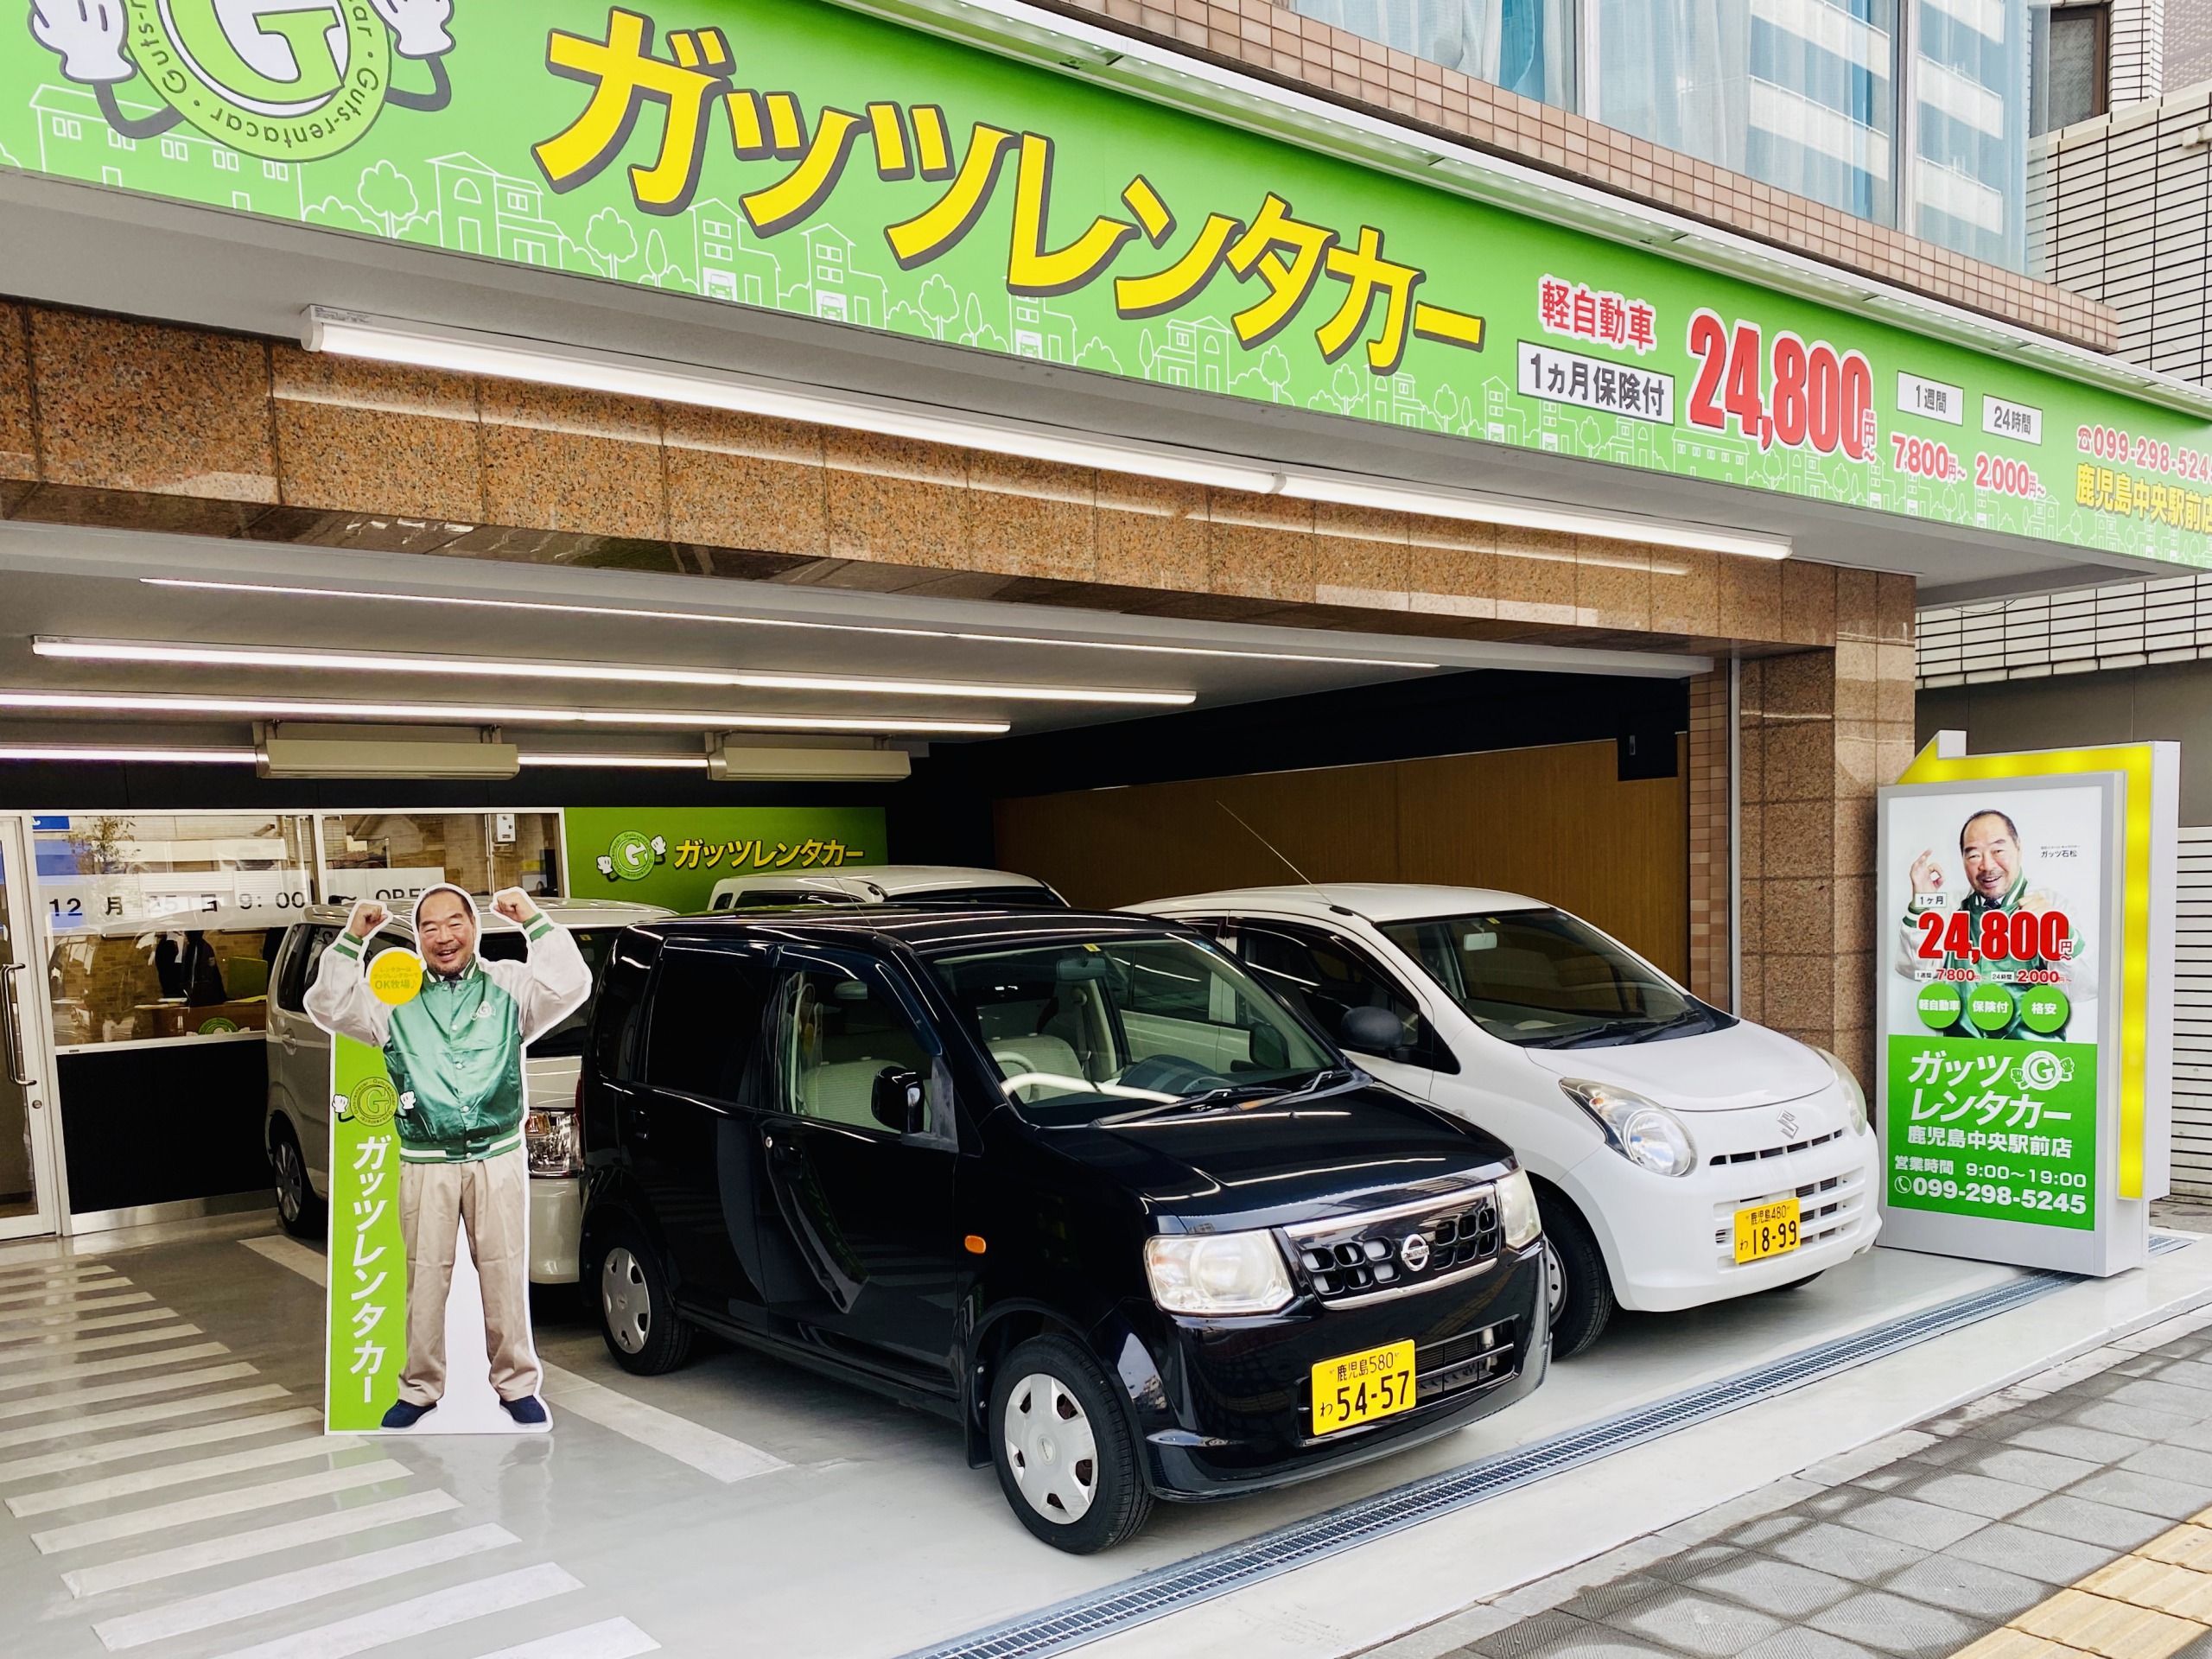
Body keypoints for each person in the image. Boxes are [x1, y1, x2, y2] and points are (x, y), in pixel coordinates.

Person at [307, 883, 588, 1428]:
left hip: (498, 1155)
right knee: (424, 1274)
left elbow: (571, 983)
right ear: (416, 938)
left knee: (504, 1272)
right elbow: (327, 1006)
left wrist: (530, 918)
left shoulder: (510, 984)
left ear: (474, 928)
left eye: (454, 923)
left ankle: (516, 1384)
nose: (444, 936)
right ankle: (418, 1388)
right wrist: (352, 939)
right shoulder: (392, 997)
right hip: (424, 1159)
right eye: (429, 927)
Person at [1894, 808, 2094, 1039]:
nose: (1987, 865)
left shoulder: (2053, 905)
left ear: (2018, 848)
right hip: (1962, 1060)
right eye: (1973, 855)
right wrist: (1922, 902)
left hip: (2032, 1061)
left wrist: (2057, 931)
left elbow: (2084, 987)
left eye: (1998, 850)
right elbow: (1915, 969)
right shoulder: (1950, 908)